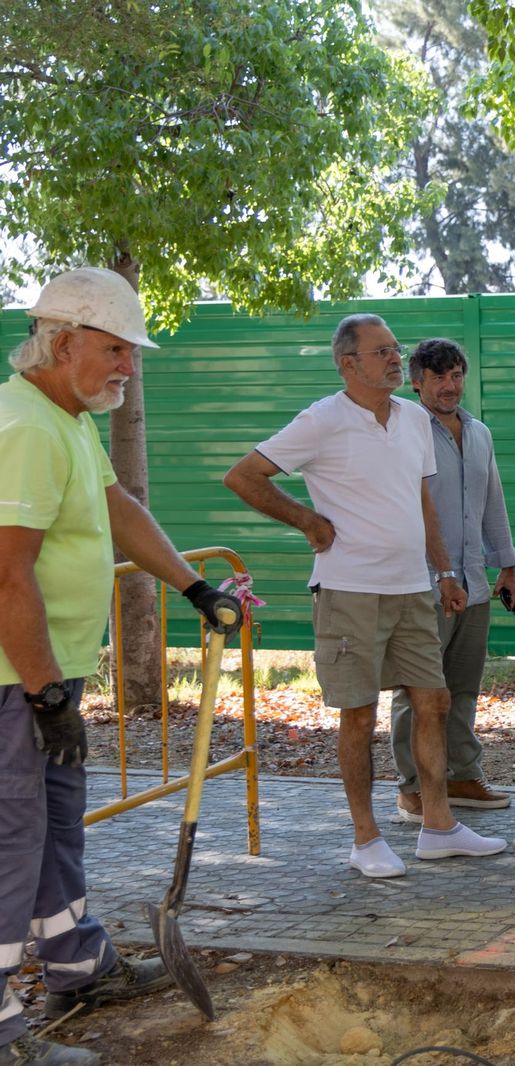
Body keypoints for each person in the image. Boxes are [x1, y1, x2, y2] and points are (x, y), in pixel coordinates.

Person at [0, 268, 244, 1065]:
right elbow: (8, 573)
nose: (127, 369)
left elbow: (118, 510)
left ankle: (76, 964)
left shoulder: (66, 418)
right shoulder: (26, 427)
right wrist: (40, 691)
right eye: (115, 350)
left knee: (56, 823)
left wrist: (195, 585)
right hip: (14, 679)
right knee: (12, 837)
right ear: (63, 341)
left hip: (46, 671)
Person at [223, 314, 506, 879]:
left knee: (435, 702)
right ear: (347, 364)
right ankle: (365, 838)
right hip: (349, 590)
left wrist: (445, 571)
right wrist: (307, 521)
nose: (396, 359)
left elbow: (422, 502)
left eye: (397, 350)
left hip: (412, 588)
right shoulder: (323, 419)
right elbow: (244, 476)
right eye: (382, 353)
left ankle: (439, 827)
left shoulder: (412, 419)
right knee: (359, 715)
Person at [389, 339, 515, 825]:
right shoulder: (403, 431)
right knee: (417, 690)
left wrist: (505, 567)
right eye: (439, 377)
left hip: (475, 586)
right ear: (416, 380)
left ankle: (463, 774)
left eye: (457, 375)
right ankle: (413, 788)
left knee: (463, 688)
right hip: (421, 585)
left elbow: (492, 503)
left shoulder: (479, 432)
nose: (450, 386)